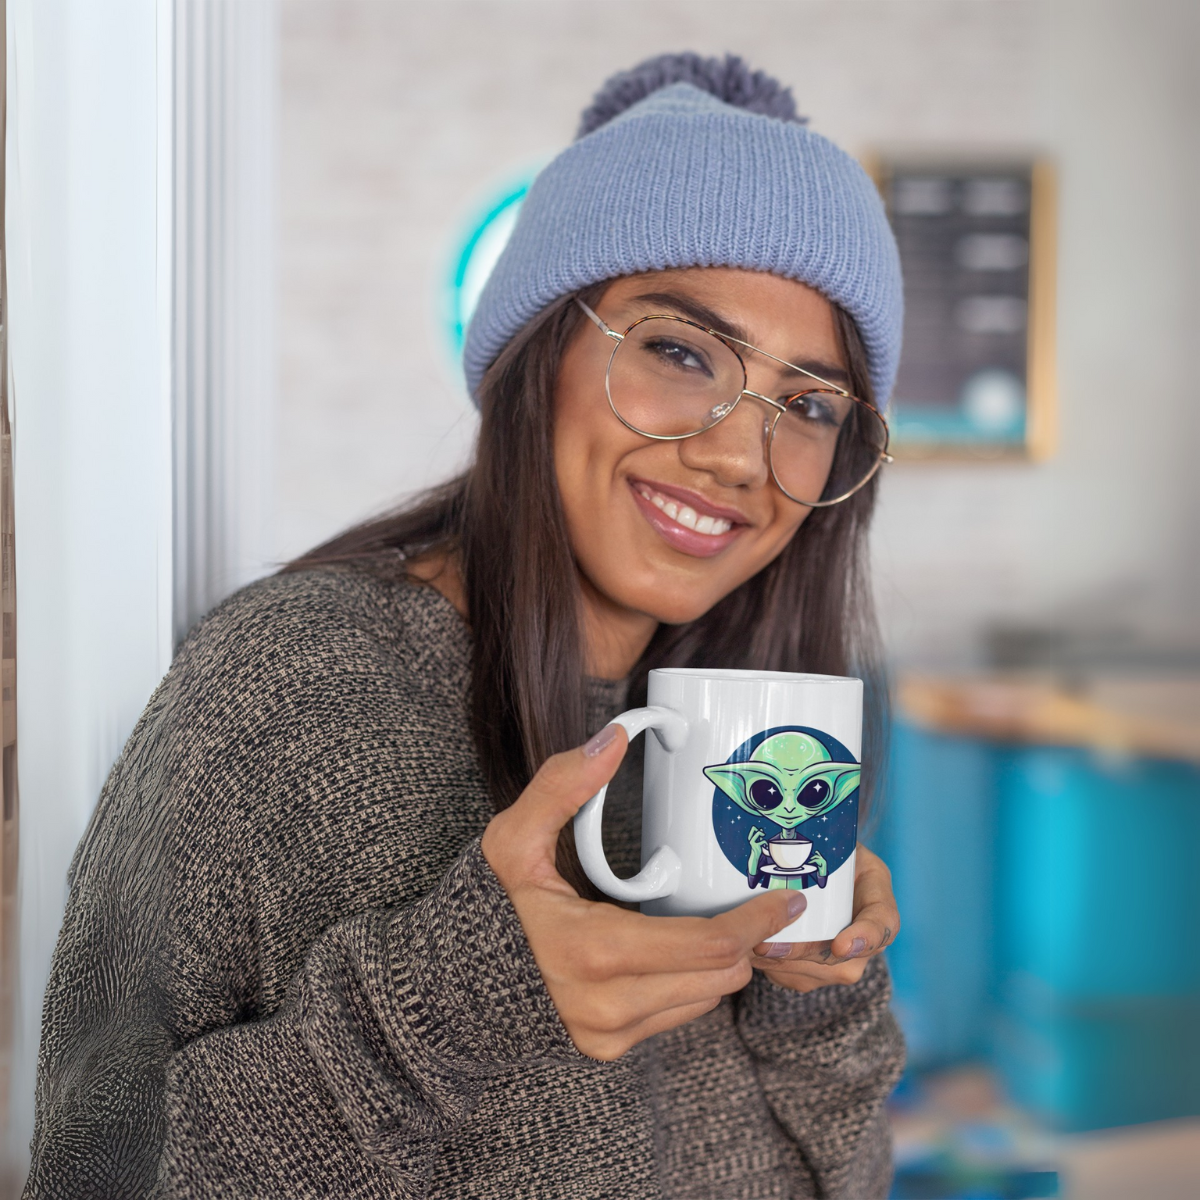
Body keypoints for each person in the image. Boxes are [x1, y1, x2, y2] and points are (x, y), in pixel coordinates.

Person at [27, 53, 905, 1199]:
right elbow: (92, 1176)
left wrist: (820, 991)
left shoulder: (740, 734)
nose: (742, 453)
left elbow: (849, 1170)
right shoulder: (292, 687)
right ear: (536, 359)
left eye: (809, 404)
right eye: (681, 352)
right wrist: (445, 1006)